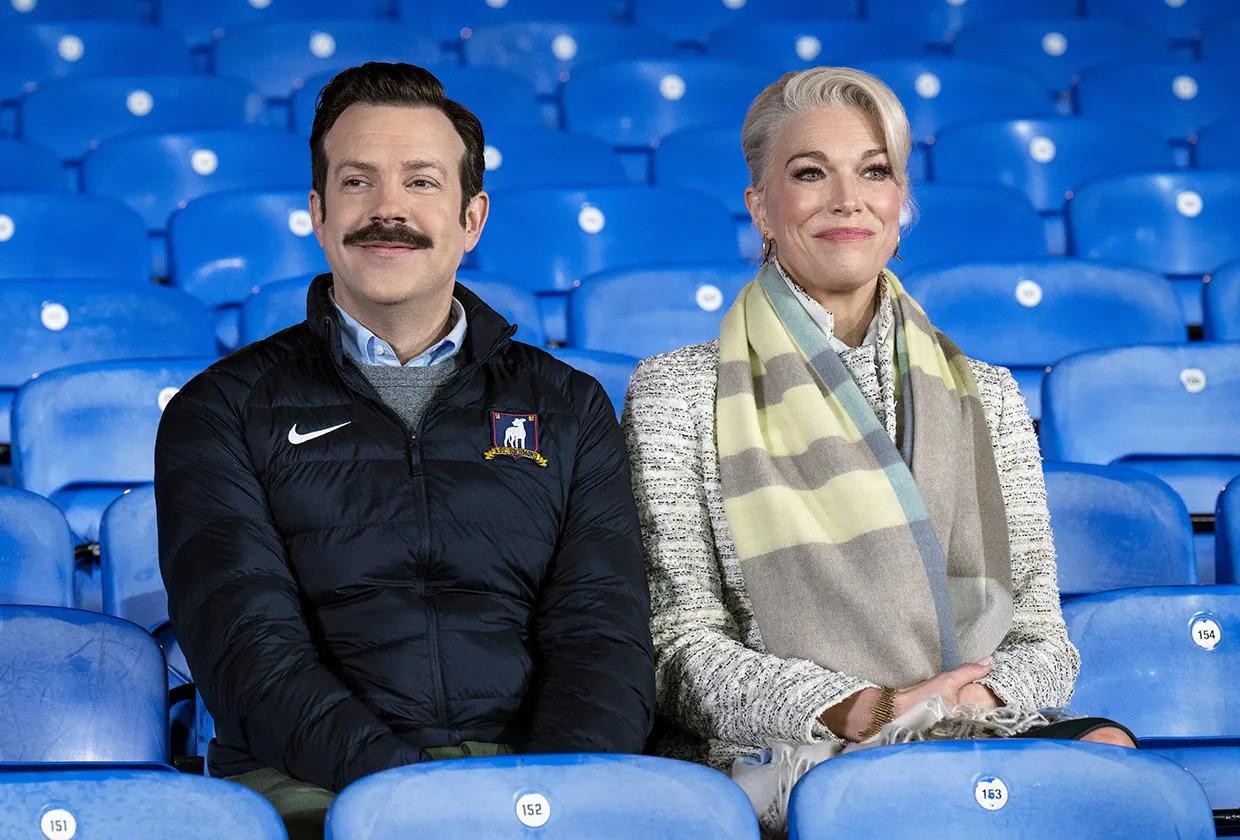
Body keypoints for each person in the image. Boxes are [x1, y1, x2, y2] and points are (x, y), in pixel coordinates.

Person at [621, 66, 1133, 831]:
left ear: (900, 207)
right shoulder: (676, 392)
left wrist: (966, 701)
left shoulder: (986, 393)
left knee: (1110, 757)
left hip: (966, 730)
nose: (846, 198)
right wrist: (871, 709)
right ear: (760, 206)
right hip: (783, 751)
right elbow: (680, 651)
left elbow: (1040, 634)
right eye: (808, 174)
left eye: (874, 171)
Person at [156, 62, 654, 840]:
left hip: (542, 789)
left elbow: (603, 638)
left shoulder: (569, 407)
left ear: (472, 217)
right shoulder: (219, 411)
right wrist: (419, 802)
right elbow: (251, 655)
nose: (387, 209)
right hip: (313, 788)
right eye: (357, 183)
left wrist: (551, 797)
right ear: (319, 214)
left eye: (420, 182)